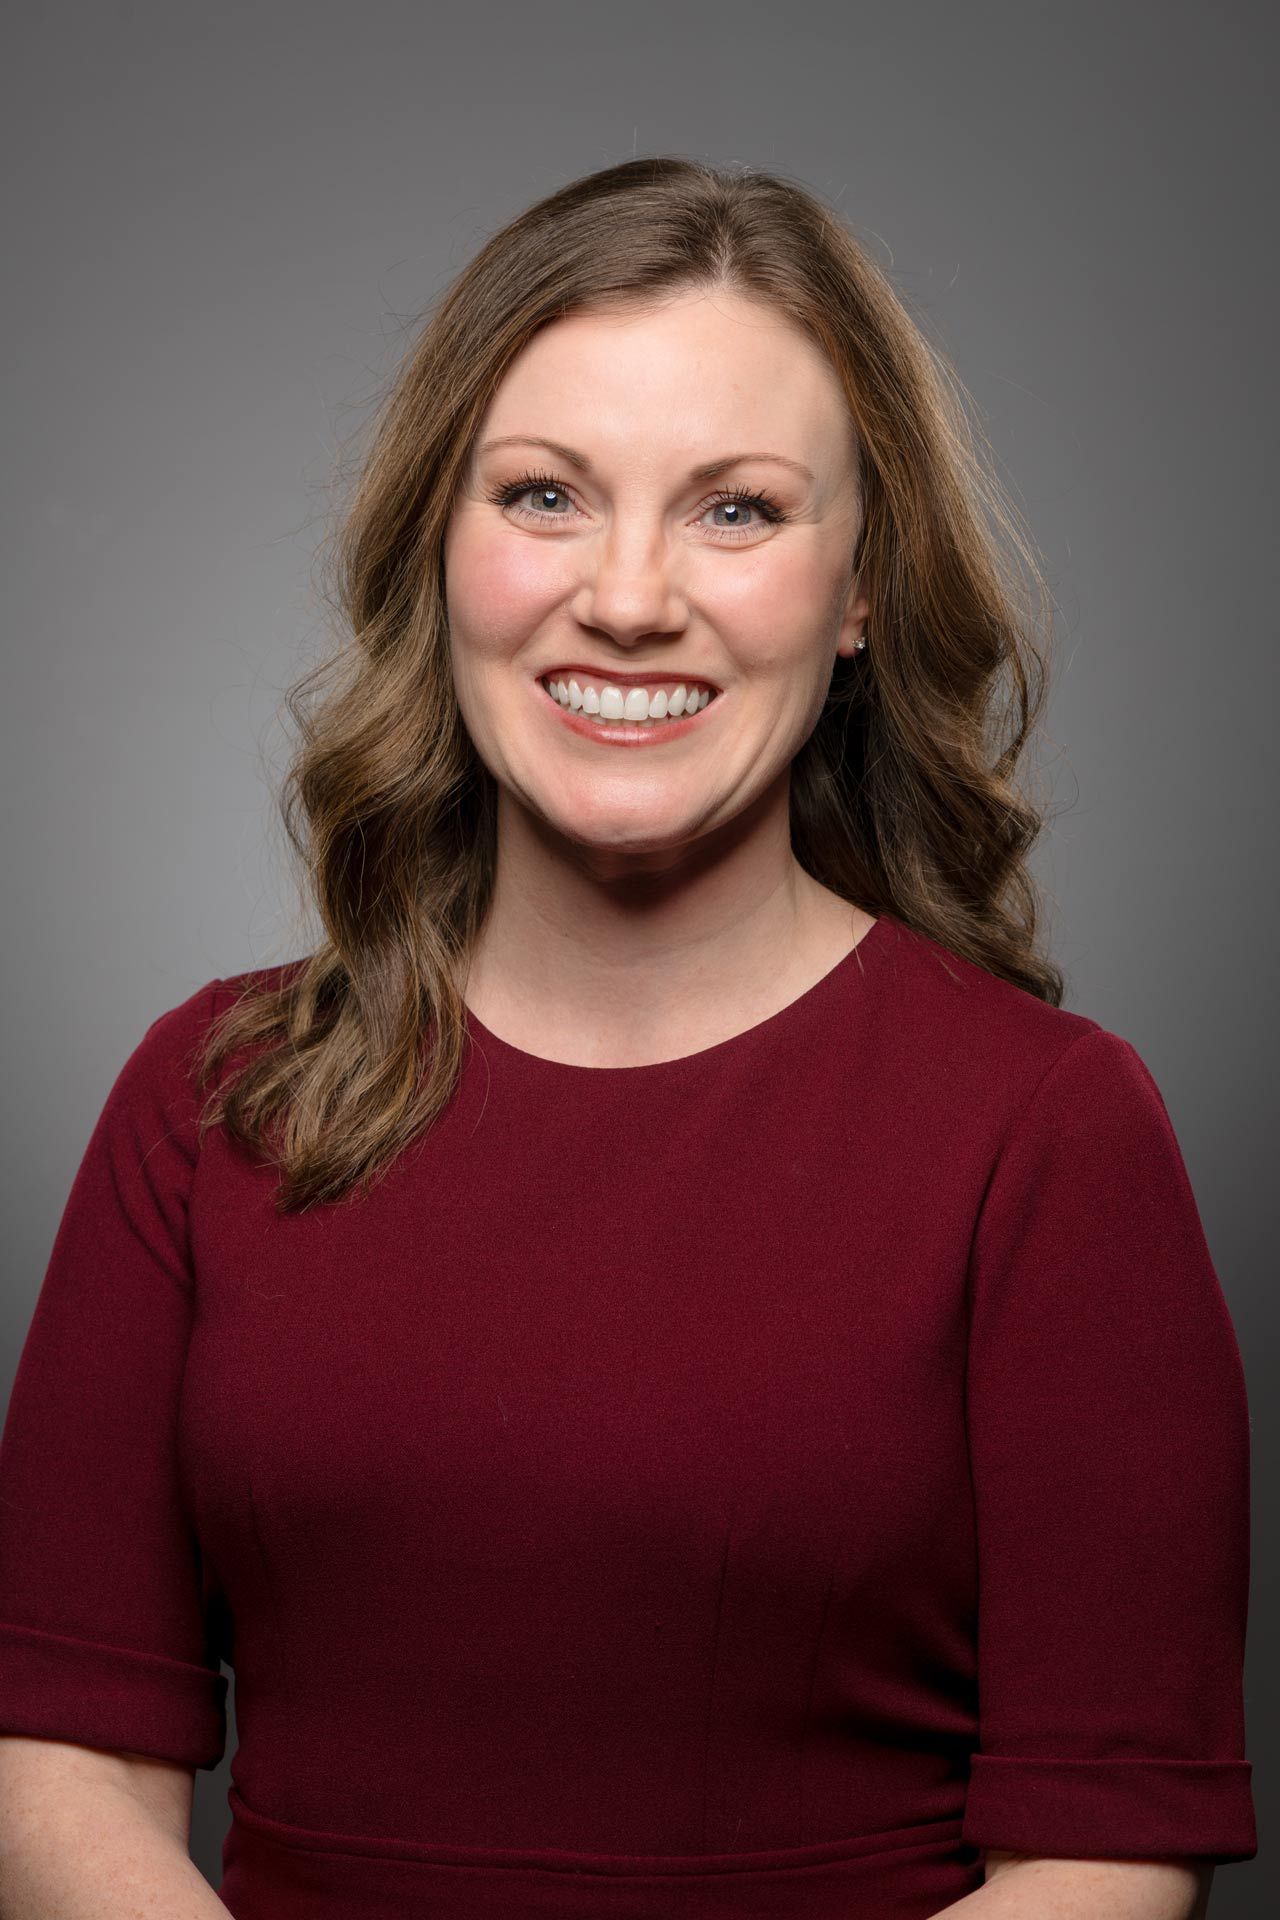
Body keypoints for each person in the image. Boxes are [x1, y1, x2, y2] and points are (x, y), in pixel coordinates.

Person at [0, 158, 1256, 1920]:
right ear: (444, 548)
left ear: (862, 590)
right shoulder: (209, 1104)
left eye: (737, 511)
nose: (631, 596)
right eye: (546, 497)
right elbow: (59, 1769)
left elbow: (1108, 1865)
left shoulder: (1050, 1134)